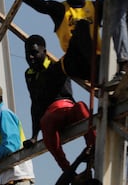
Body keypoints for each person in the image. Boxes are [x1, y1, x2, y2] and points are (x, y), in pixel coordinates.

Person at [13, 0, 128, 84]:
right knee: (82, 25)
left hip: (95, 61)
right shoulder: (59, 9)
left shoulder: (95, 7)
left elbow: (120, 4)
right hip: (74, 60)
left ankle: (115, 69)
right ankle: (97, 74)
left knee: (117, 8)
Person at [23, 35, 96, 175]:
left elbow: (75, 62)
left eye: (34, 53)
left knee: (81, 107)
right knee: (46, 121)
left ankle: (94, 148)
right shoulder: (30, 75)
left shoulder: (56, 66)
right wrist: (34, 136)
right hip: (51, 115)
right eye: (27, 54)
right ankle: (69, 172)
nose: (31, 57)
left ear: (44, 52)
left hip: (68, 108)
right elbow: (35, 104)